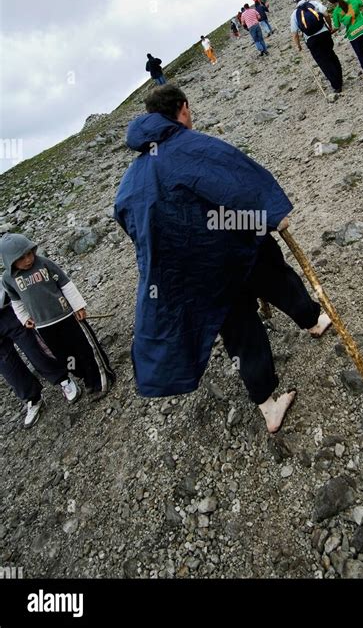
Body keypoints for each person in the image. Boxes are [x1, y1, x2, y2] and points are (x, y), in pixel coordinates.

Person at [114, 85, 331, 433]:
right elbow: (236, 183)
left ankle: (268, 405)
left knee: (238, 329)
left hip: (195, 275)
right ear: (183, 108)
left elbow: (131, 222)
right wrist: (271, 212)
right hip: (234, 248)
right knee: (276, 277)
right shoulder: (191, 145)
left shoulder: (132, 179)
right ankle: (313, 322)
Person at [0, 233, 116, 402]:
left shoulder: (44, 264)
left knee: (85, 348)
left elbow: (65, 283)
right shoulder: (8, 279)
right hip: (44, 326)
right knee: (66, 356)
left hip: (67, 317)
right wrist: (24, 318)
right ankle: (86, 378)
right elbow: (16, 302)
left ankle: (102, 376)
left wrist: (78, 306)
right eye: (22, 257)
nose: (28, 259)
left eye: (30, 253)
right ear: (9, 260)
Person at [0, 288, 80, 427]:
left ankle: (62, 378)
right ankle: (32, 398)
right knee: (7, 364)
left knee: (33, 347)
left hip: (6, 308)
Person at [291, 0, 343, 94]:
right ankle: (340, 78)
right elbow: (326, 14)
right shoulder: (314, 3)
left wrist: (298, 46)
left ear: (296, 2)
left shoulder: (294, 14)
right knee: (331, 54)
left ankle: (336, 85)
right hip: (324, 34)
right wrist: (329, 27)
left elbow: (295, 34)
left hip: (311, 40)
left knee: (323, 62)